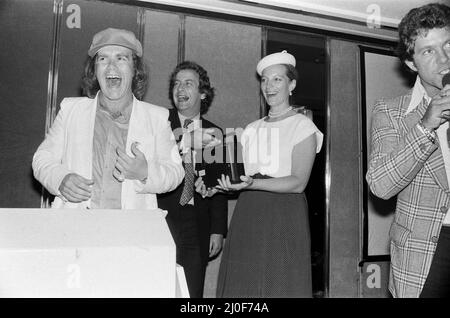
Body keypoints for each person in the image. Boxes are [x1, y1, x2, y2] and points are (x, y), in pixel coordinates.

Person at [210, 51, 323, 297]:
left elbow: (298, 183)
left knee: (279, 282)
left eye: (277, 80)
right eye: (264, 80)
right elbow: (241, 176)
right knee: (245, 285)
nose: (269, 86)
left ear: (292, 84)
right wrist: (218, 185)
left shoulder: (303, 126)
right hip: (249, 212)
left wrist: (253, 183)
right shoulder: (251, 129)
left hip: (284, 214)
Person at [32, 27, 184, 210]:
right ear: (94, 70)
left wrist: (145, 173)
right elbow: (42, 159)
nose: (111, 66)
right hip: (75, 227)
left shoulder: (157, 118)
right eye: (103, 59)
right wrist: (61, 179)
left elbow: (176, 172)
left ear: (135, 69)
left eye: (121, 58)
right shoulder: (71, 110)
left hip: (129, 231)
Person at [366, 3, 450, 298]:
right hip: (425, 252)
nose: (444, 58)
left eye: (448, 45)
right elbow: (380, 185)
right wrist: (426, 126)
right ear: (411, 63)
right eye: (428, 51)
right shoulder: (390, 112)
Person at [157, 61, 228, 298]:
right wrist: (185, 141)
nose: (180, 89)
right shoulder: (159, 122)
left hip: (197, 223)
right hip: (160, 218)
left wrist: (217, 230)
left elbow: (219, 184)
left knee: (191, 294)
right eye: (176, 84)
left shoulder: (215, 133)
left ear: (203, 92)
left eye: (188, 84)